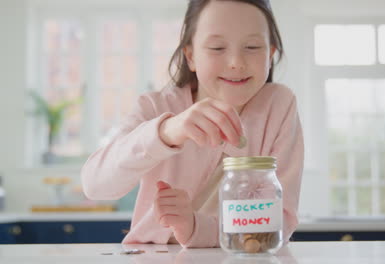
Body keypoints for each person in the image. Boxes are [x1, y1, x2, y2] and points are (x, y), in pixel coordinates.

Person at [81, 0, 304, 248]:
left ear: (270, 55)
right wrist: (166, 133)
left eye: (252, 46)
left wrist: (196, 227)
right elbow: (95, 185)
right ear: (191, 56)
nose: (236, 62)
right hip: (157, 254)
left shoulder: (279, 105)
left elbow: (277, 223)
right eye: (217, 47)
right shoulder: (155, 106)